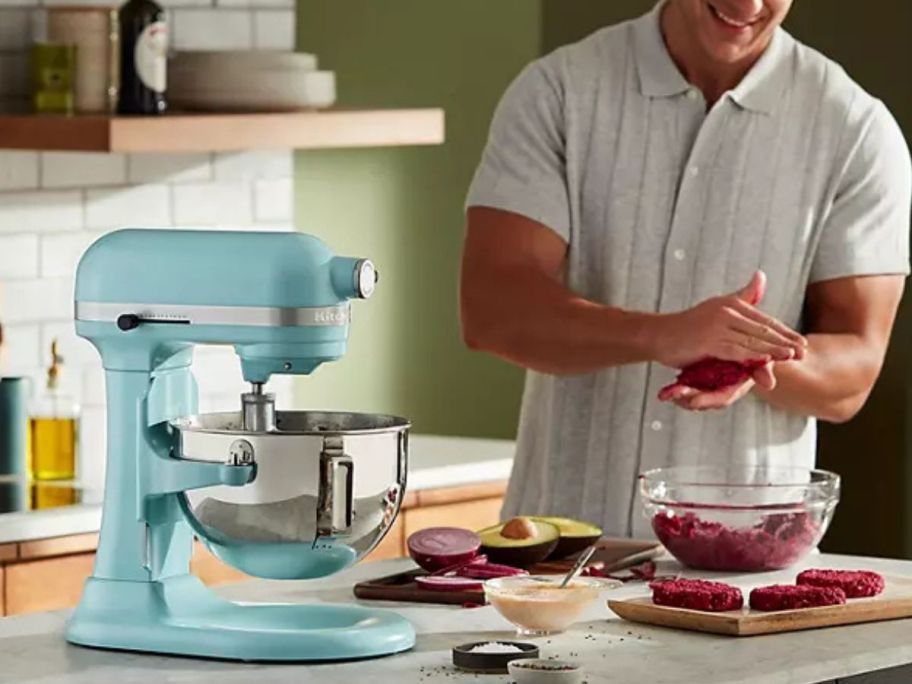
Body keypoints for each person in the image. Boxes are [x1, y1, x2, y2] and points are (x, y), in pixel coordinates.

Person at [460, 0, 912, 537]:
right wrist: (662, 334)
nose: (747, 5)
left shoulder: (855, 128)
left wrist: (738, 359)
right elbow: (491, 307)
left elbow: (853, 372)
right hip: (555, 557)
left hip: (746, 566)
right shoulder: (559, 91)